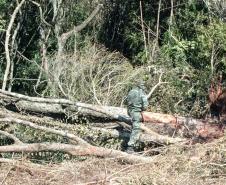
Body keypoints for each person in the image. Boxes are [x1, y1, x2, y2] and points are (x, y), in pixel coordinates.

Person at [125, 80, 149, 153]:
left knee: (133, 126)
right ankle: (130, 147)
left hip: (130, 111)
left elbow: (127, 102)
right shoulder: (141, 93)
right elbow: (145, 106)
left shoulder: (131, 91)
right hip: (136, 113)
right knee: (136, 128)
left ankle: (132, 144)